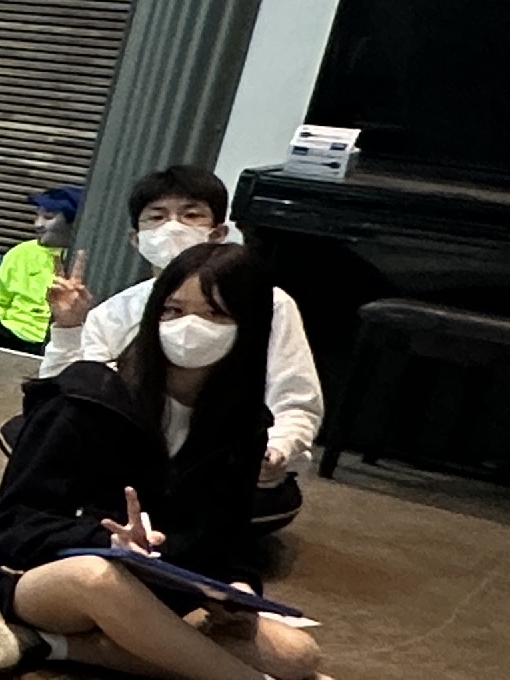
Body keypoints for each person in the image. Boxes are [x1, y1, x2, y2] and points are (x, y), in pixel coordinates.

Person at [0, 240, 413, 680]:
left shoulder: (242, 427)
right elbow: (8, 528)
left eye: (214, 314)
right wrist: (104, 540)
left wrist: (236, 591)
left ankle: (51, 646)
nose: (189, 327)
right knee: (98, 577)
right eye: (173, 310)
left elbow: (226, 542)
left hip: (157, 589)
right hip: (36, 578)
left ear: (250, 326)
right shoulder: (87, 398)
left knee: (297, 654)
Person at [39, 166, 323, 514]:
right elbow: (71, 399)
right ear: (135, 239)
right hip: (135, 464)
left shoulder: (267, 303)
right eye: (157, 217)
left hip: (224, 465)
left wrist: (276, 450)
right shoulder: (112, 313)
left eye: (190, 215)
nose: (173, 227)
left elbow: (296, 400)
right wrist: (68, 327)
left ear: (218, 233)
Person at [0, 186, 82, 352]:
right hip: (13, 328)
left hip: (53, 337)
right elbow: (0, 302)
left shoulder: (85, 257)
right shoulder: (20, 252)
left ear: (74, 222)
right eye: (37, 215)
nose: (38, 224)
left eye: (48, 217)